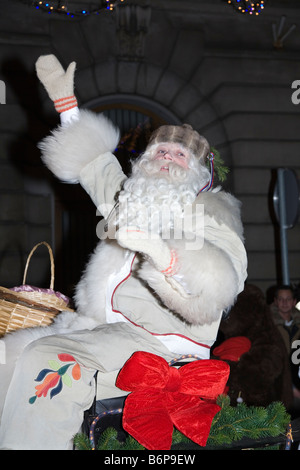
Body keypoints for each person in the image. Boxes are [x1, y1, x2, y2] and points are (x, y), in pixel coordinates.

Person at [0, 55, 247, 450]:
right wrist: (66, 105)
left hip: (162, 341)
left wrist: (159, 253)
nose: (168, 159)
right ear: (146, 162)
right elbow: (96, 167)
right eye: (161, 153)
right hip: (104, 330)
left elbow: (215, 284)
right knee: (7, 355)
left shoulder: (208, 214)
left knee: (48, 359)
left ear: (198, 175)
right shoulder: (133, 202)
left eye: (179, 155)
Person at [271, 285, 300, 402]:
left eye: (288, 299)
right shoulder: (267, 326)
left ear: (294, 302)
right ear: (275, 301)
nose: (284, 302)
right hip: (276, 383)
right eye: (281, 299)